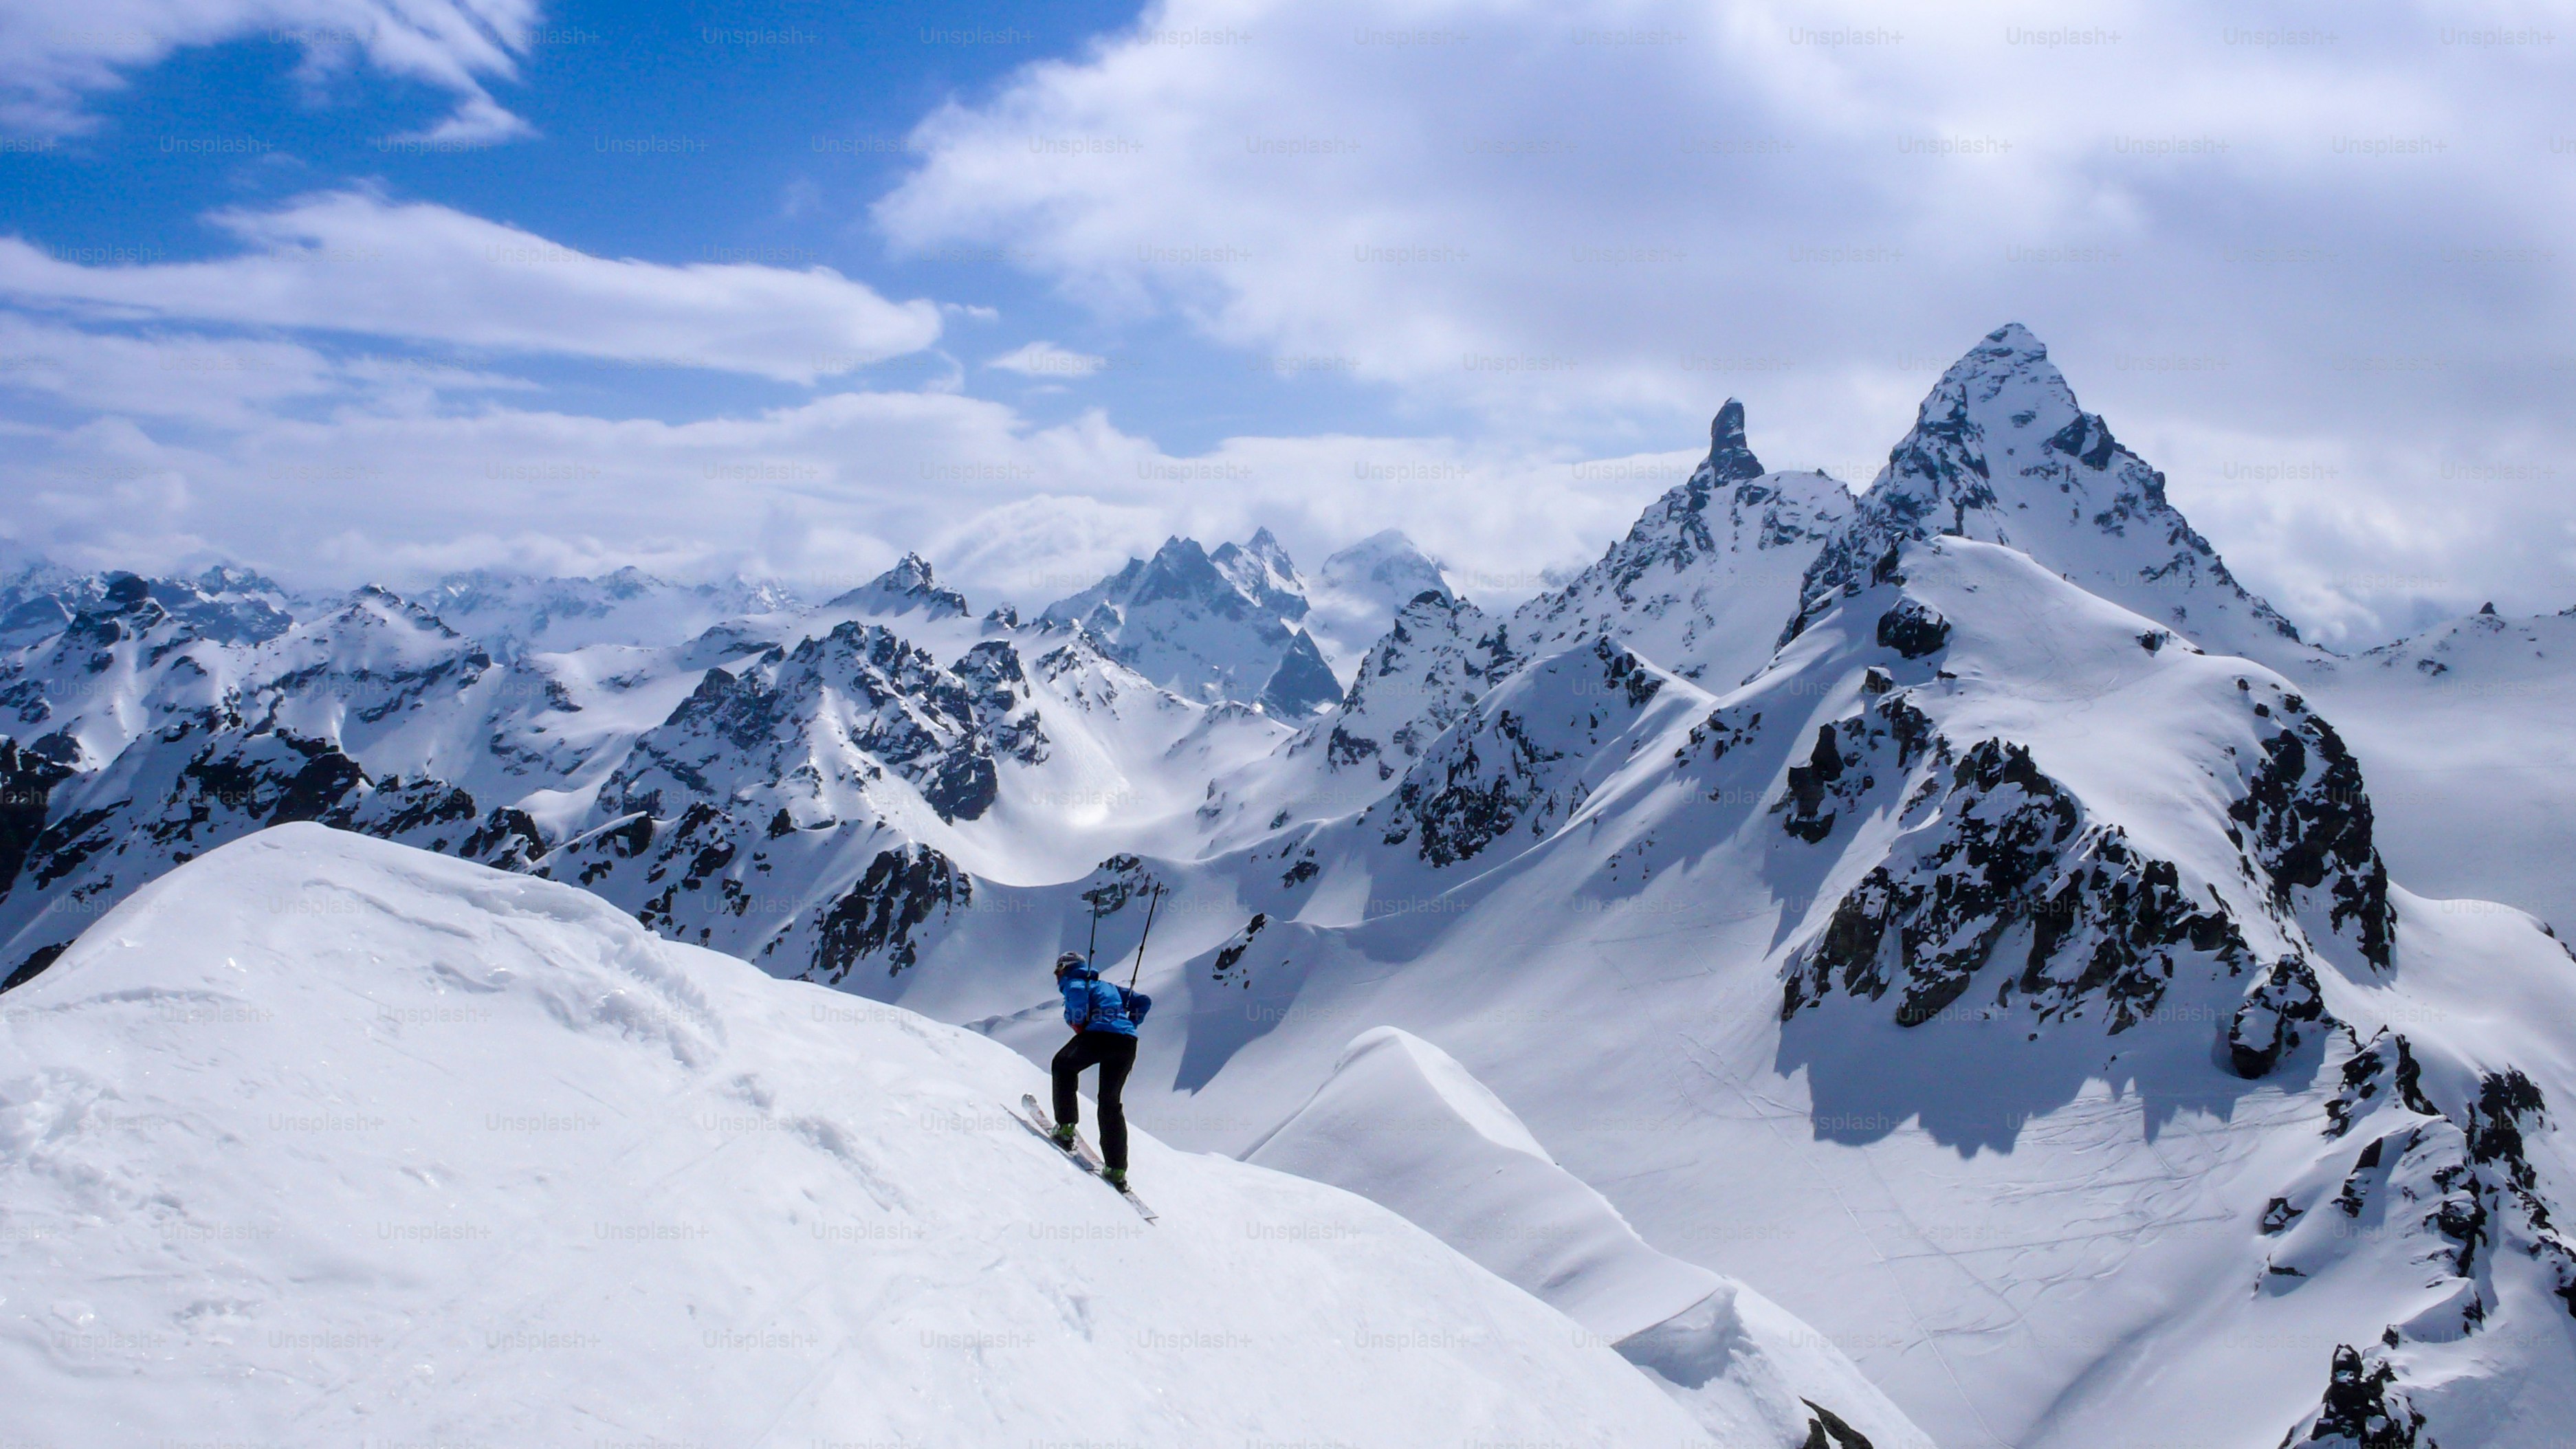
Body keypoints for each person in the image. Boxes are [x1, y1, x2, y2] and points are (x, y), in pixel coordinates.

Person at [1050, 950, 1151, 1189]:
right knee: (1110, 1102)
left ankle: (1065, 1128)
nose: (1056, 977)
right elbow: (1143, 1001)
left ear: (1064, 968)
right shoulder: (1108, 987)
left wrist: (1078, 1021)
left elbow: (1075, 995)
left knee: (1063, 1066)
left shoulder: (1075, 983)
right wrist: (1129, 1023)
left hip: (1099, 1035)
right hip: (1127, 1042)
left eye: (1057, 971)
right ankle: (1116, 1169)